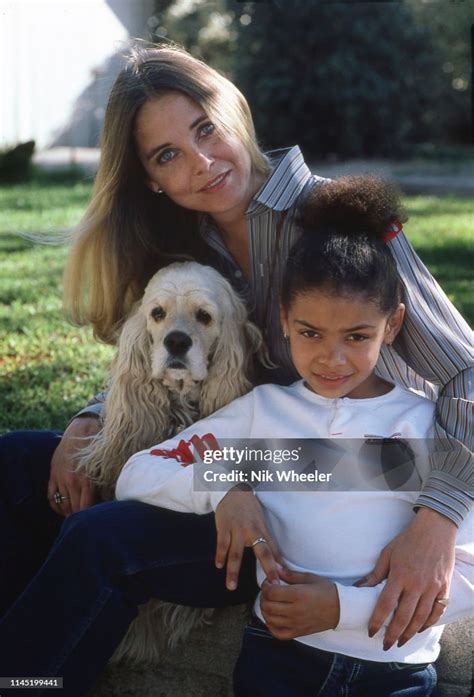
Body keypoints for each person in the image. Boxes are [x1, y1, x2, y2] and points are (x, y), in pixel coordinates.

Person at [0, 44, 471, 695]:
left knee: (100, 537)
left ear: (235, 110)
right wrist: (93, 416)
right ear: (150, 178)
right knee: (17, 465)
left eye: (204, 128)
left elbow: (465, 373)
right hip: (226, 465)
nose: (201, 162)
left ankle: (24, 682)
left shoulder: (342, 220)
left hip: (331, 490)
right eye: (167, 155)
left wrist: (436, 521)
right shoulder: (191, 241)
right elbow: (175, 354)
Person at [115, 176, 473, 697]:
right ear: (283, 320)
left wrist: (343, 609)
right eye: (310, 333)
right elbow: (137, 472)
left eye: (357, 336)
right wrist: (226, 489)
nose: (332, 358)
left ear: (392, 326)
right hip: (277, 663)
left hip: (394, 673)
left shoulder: (422, 428)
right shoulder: (263, 413)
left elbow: (464, 570)